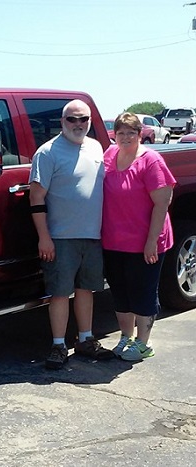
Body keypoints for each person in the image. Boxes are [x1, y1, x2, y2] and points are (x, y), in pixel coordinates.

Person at [29, 99, 114, 370]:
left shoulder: (96, 146)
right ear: (61, 122)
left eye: (83, 119)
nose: (78, 124)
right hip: (60, 238)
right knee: (60, 293)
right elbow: (36, 197)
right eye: (72, 119)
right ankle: (58, 345)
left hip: (93, 236)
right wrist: (44, 237)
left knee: (87, 289)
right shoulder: (47, 152)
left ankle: (86, 340)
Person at [102, 112, 175, 361]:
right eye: (120, 133)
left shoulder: (150, 161)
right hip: (114, 240)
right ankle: (126, 336)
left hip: (146, 241)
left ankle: (143, 343)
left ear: (140, 134)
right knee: (120, 291)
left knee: (142, 291)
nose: (125, 138)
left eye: (130, 133)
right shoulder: (109, 156)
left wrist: (151, 241)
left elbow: (163, 201)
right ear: (114, 134)